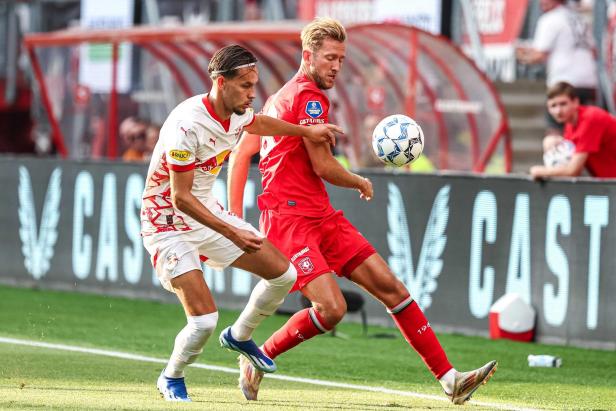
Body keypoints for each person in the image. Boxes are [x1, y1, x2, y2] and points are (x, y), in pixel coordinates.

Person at [227, 17, 497, 405]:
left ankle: (450, 379)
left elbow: (243, 154)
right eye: (330, 58)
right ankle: (259, 356)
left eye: (341, 59)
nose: (336, 66)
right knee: (331, 308)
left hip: (320, 214)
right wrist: (359, 180)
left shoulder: (277, 99)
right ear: (308, 56)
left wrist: (238, 214)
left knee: (392, 289)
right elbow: (322, 166)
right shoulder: (309, 97)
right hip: (289, 221)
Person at [140, 44, 341, 402]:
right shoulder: (186, 126)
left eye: (254, 85)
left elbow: (258, 122)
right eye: (246, 86)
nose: (253, 94)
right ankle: (172, 376)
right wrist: (233, 230)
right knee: (203, 321)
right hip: (167, 222)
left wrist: (305, 132)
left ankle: (241, 335)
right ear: (221, 82)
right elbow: (180, 197)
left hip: (206, 213)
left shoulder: (237, 112)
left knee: (286, 275)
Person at [516, 0, 597, 134]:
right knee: (584, 130)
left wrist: (521, 57)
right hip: (588, 82)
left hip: (563, 82)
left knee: (555, 131)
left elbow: (539, 54)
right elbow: (594, 52)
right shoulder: (580, 18)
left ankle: (560, 154)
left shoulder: (550, 19)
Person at [530, 82, 616, 178]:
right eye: (553, 106)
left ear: (575, 102)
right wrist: (557, 142)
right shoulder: (570, 126)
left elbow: (573, 170)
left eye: (563, 104)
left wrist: (541, 171)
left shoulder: (591, 118)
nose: (558, 111)